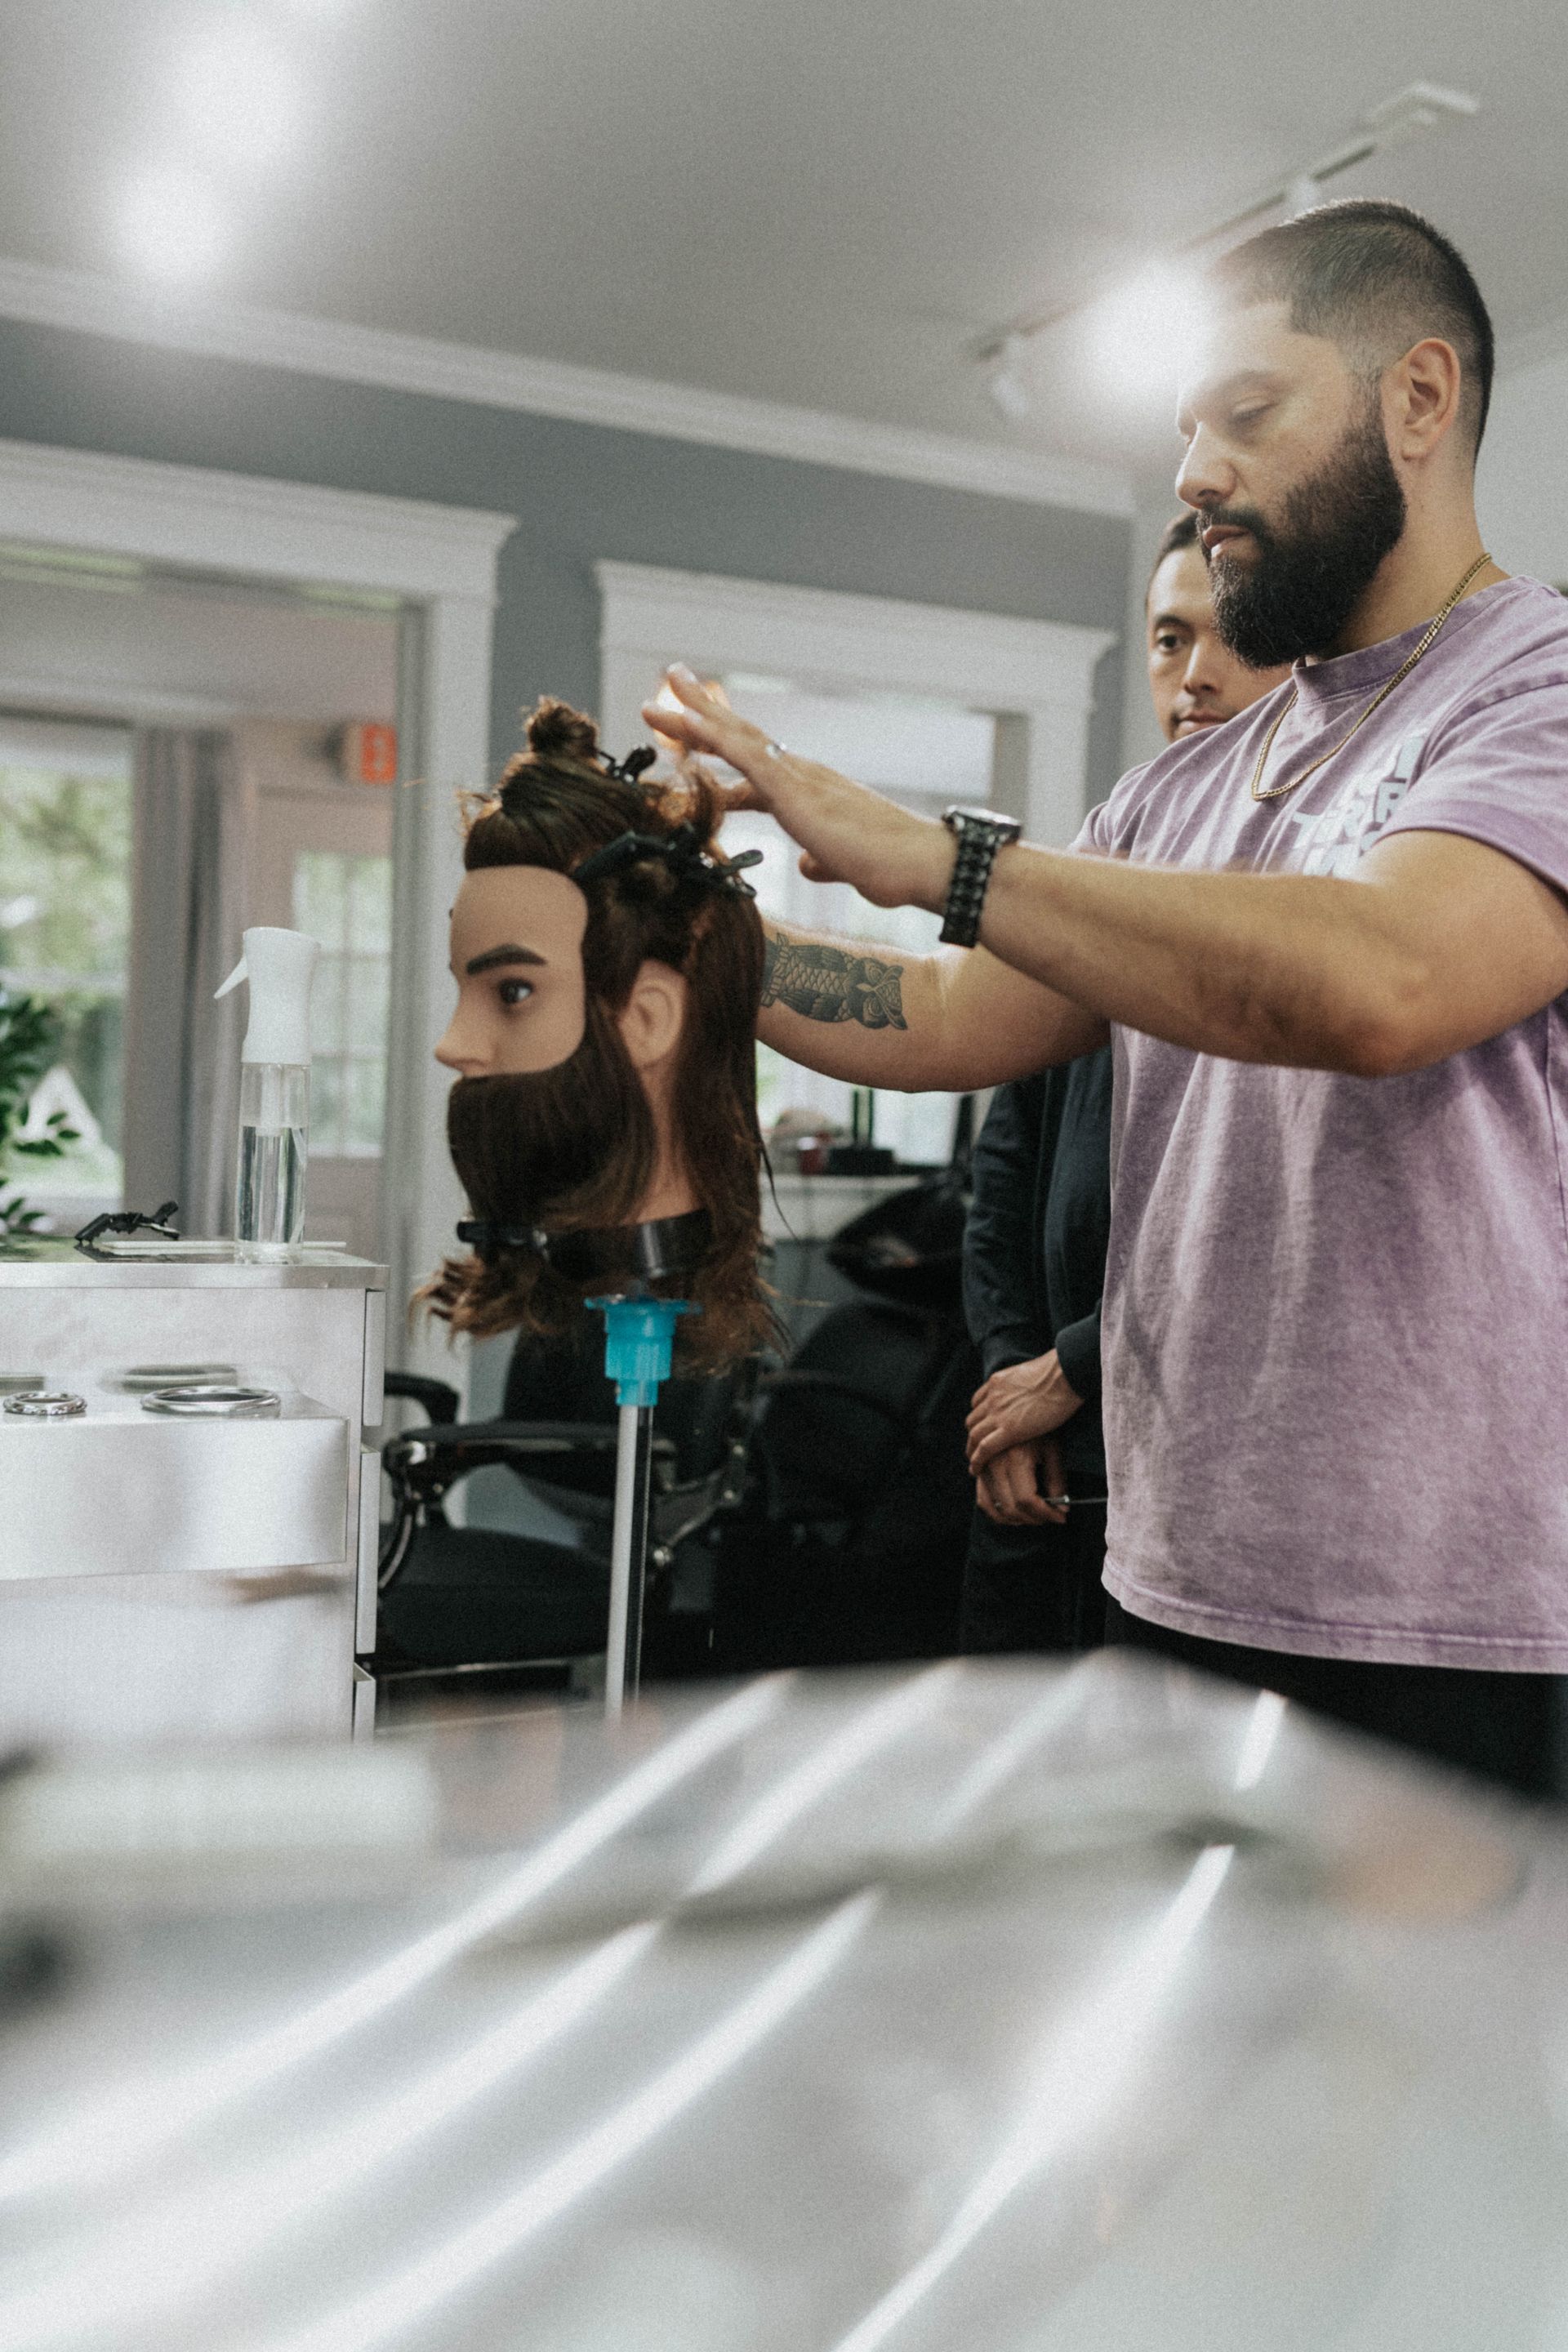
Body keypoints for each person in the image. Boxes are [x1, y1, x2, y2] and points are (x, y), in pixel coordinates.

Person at [648, 198, 1568, 1798]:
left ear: (1420, 400)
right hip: (1175, 1568)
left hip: (1454, 1625)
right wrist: (678, 940)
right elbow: (947, 1021)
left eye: (1249, 413)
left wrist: (941, 852)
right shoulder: (1180, 793)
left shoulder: (1534, 696)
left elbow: (1384, 978)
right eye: (1188, 429)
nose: (1196, 472)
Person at [960, 513, 1289, 1653]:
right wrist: (1012, 1381)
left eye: (1227, 638)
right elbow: (998, 1176)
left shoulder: (1310, 910)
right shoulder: (1100, 878)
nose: (1192, 675)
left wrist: (1075, 1365)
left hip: (1195, 1461)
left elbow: (1265, 1209)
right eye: (1165, 639)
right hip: (1038, 1453)